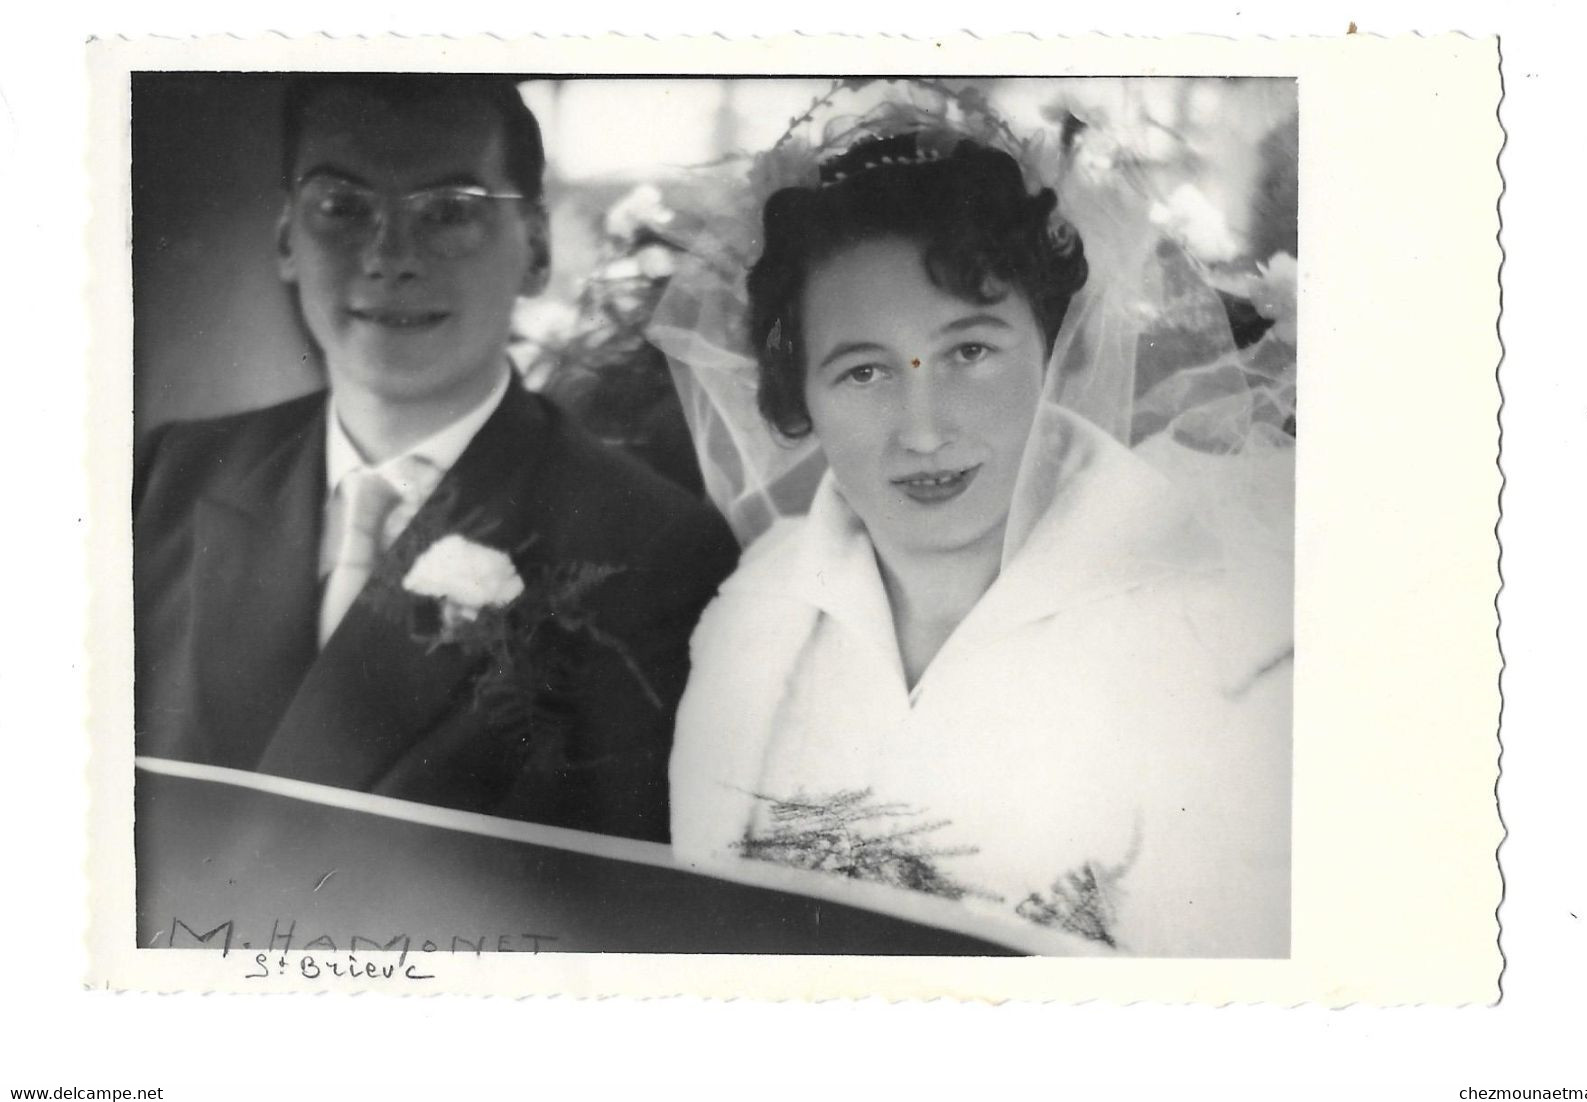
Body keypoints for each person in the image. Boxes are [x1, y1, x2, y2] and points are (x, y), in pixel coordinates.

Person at [656, 98, 1293, 955]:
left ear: (1053, 349)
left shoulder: (1219, 639)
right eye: (862, 371)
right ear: (796, 393)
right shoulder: (755, 609)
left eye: (969, 352)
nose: (923, 429)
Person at [134, 74, 738, 842]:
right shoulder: (171, 478)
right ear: (287, 238)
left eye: (449, 212)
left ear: (537, 252)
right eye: (342, 207)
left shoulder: (655, 550)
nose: (389, 257)